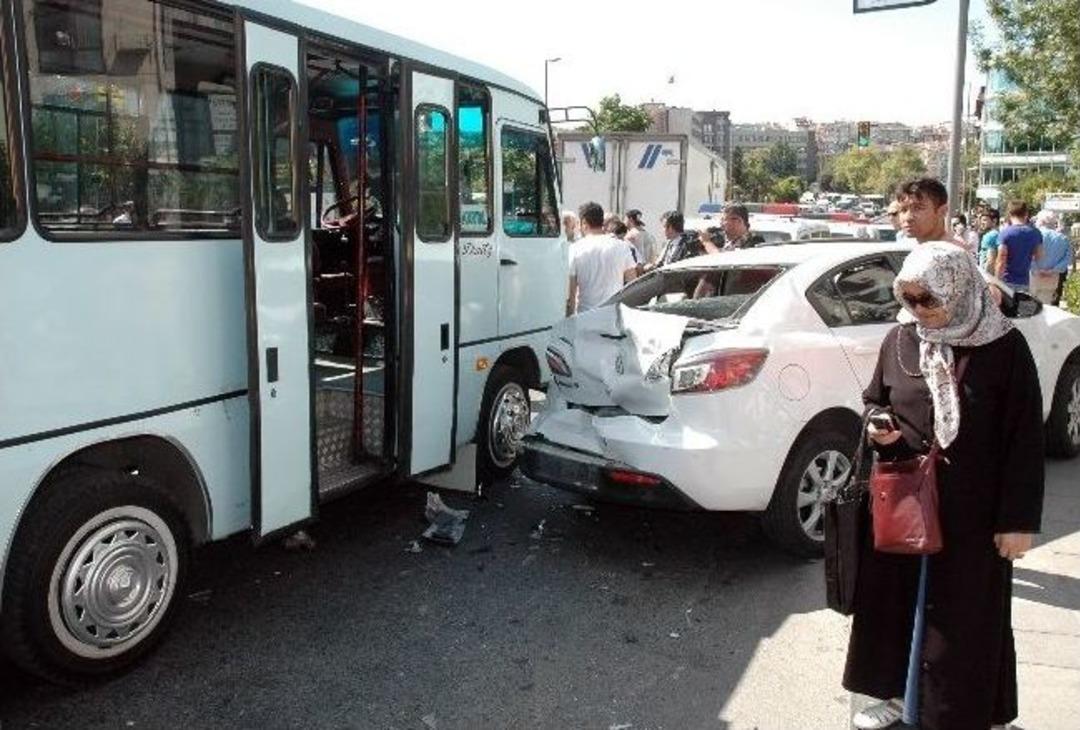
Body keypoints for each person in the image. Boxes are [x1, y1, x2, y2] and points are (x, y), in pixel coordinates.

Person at [845, 242, 1044, 730]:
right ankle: (893, 693)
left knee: (966, 615)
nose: (918, 311)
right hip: (907, 500)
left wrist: (1017, 522)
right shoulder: (900, 340)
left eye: (928, 300)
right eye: (909, 299)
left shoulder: (1004, 347)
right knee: (895, 601)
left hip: (974, 514)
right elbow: (875, 399)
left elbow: (1025, 439)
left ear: (958, 289)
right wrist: (879, 428)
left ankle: (966, 711)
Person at [566, 202, 637, 315]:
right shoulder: (622, 246)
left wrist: (569, 317)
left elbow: (571, 292)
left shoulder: (575, 248)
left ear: (584, 222)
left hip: (585, 316)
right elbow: (632, 284)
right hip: (613, 316)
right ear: (602, 221)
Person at [995, 200, 1043, 292]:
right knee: (1021, 306)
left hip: (1006, 281)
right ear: (1026, 213)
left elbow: (1001, 260)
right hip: (1024, 281)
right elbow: (1039, 256)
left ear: (1009, 213)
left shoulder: (1005, 233)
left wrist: (997, 282)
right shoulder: (1036, 233)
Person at [1031, 209, 1073, 306]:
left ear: (1041, 221)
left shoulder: (1032, 236)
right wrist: (1053, 270)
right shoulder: (1063, 238)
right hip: (1052, 277)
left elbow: (1026, 256)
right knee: (1046, 307)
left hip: (1033, 276)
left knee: (1028, 308)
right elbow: (1068, 259)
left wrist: (1036, 269)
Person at [978, 208, 1001, 273]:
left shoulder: (990, 236)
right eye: (981, 220)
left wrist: (986, 278)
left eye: (985, 220)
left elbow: (990, 260)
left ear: (994, 221)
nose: (982, 222)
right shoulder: (998, 234)